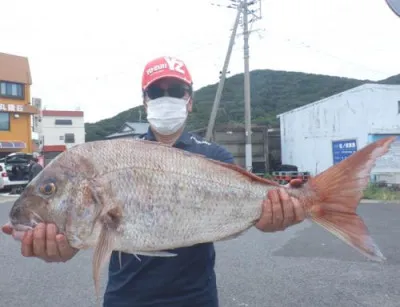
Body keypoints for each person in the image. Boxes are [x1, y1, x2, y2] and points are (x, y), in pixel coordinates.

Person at [1, 56, 306, 307]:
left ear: (189, 100)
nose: (166, 98)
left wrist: (276, 215)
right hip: (125, 300)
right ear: (145, 101)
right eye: (156, 92)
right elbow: (76, 243)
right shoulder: (119, 154)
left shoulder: (214, 156)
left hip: (196, 300)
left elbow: (253, 215)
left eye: (175, 90)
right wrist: (59, 247)